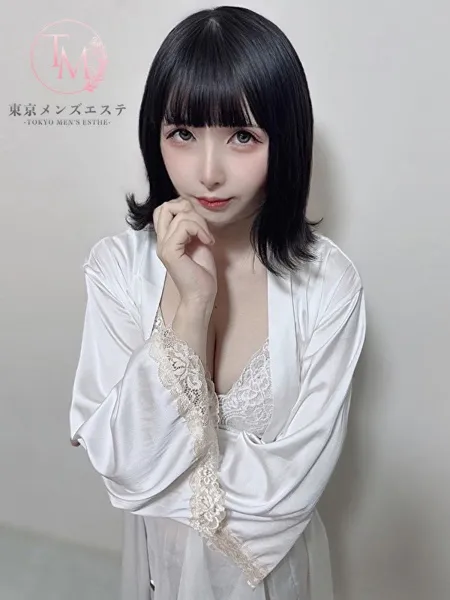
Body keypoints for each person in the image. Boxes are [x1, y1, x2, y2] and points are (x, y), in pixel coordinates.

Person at [69, 6, 366, 600]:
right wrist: (194, 303)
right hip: (157, 566)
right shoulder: (118, 268)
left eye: (242, 136)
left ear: (285, 139)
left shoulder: (328, 284)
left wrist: (160, 469)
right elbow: (120, 461)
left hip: (269, 576)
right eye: (183, 133)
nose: (208, 172)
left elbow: (289, 493)